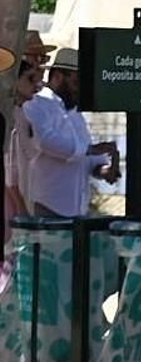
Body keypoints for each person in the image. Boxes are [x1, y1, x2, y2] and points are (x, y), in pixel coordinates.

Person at [20, 48, 119, 218]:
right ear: (58, 77)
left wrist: (105, 169)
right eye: (76, 82)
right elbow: (45, 141)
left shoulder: (75, 113)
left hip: (77, 209)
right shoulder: (37, 103)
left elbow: (87, 156)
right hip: (47, 206)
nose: (80, 89)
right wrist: (91, 150)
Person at [5, 59, 41, 243]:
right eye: (30, 79)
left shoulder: (24, 114)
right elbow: (10, 174)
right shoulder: (10, 118)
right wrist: (22, 213)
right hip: (14, 207)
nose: (37, 85)